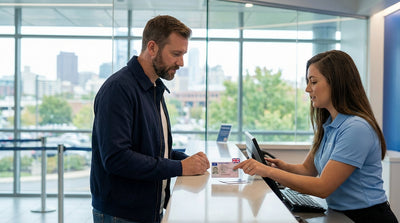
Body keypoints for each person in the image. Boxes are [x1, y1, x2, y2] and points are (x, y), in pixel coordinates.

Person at [234, 50, 398, 223]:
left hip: (368, 218)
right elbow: (308, 170)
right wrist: (281, 166)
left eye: (313, 82)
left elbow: (323, 187)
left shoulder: (356, 128)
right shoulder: (329, 125)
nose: (307, 89)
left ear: (336, 83)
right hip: (341, 215)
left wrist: (269, 171)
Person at [90, 15, 210, 223]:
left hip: (149, 210)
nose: (181, 63)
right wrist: (181, 168)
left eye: (183, 54)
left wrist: (188, 161)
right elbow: (116, 158)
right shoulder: (119, 89)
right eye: (176, 54)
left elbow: (152, 149)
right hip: (122, 215)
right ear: (152, 48)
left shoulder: (153, 88)